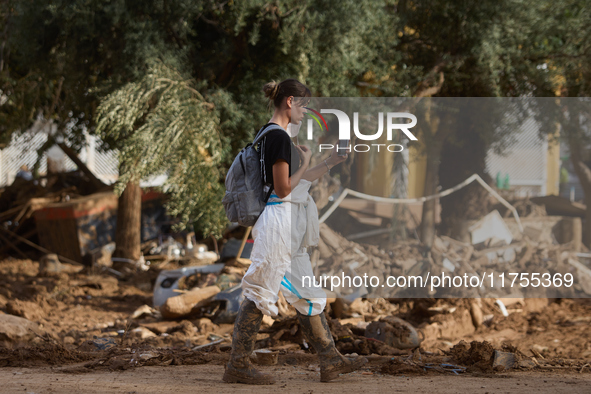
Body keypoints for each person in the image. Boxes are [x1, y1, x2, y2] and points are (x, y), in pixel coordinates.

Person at [222, 79, 367, 385]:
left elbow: (296, 182)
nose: (306, 111)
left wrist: (329, 161)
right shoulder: (278, 138)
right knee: (259, 291)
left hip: (286, 225)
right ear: (289, 102)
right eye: (302, 105)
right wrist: (309, 161)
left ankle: (330, 360)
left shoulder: (272, 135)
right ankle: (237, 365)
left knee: (306, 292)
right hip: (278, 225)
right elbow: (284, 187)